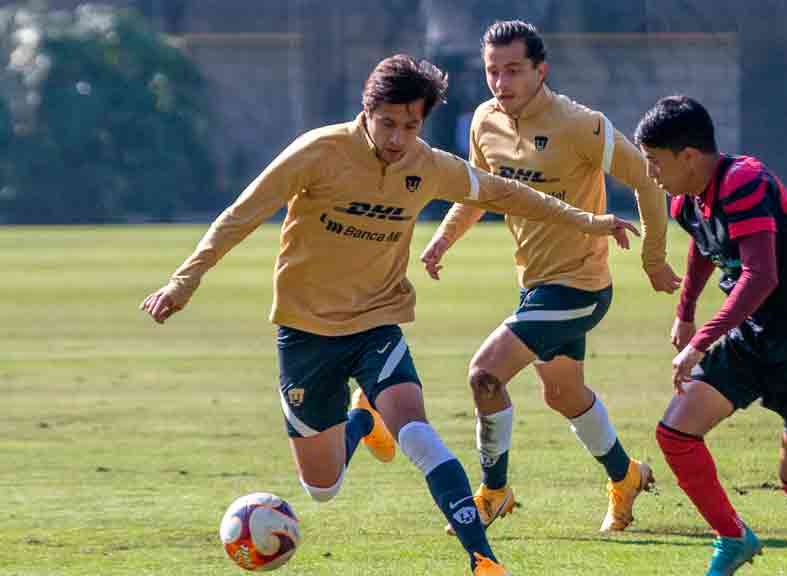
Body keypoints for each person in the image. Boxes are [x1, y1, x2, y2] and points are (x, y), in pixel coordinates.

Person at [139, 54, 638, 576]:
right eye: (388, 123)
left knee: (418, 433)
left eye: (411, 125)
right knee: (323, 488)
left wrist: (587, 220)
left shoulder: (427, 166)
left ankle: (483, 558)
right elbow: (241, 214)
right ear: (367, 108)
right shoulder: (320, 151)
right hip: (306, 334)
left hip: (377, 323)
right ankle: (362, 418)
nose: (399, 137)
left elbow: (506, 193)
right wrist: (184, 279)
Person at [420, 20, 680, 534]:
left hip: (581, 285)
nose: (501, 82)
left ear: (542, 71)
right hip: (535, 285)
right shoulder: (483, 121)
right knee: (563, 394)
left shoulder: (580, 124)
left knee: (485, 373)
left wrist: (653, 260)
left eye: (513, 70)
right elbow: (481, 192)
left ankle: (494, 492)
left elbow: (650, 182)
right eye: (493, 71)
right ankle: (626, 476)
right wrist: (444, 239)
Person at [634, 95, 787, 575]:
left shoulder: (744, 182)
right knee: (676, 433)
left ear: (689, 157)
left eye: (655, 162)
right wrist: (685, 312)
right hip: (753, 335)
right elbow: (704, 245)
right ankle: (733, 537)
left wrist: (699, 340)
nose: (650, 174)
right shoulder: (686, 201)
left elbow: (761, 277)